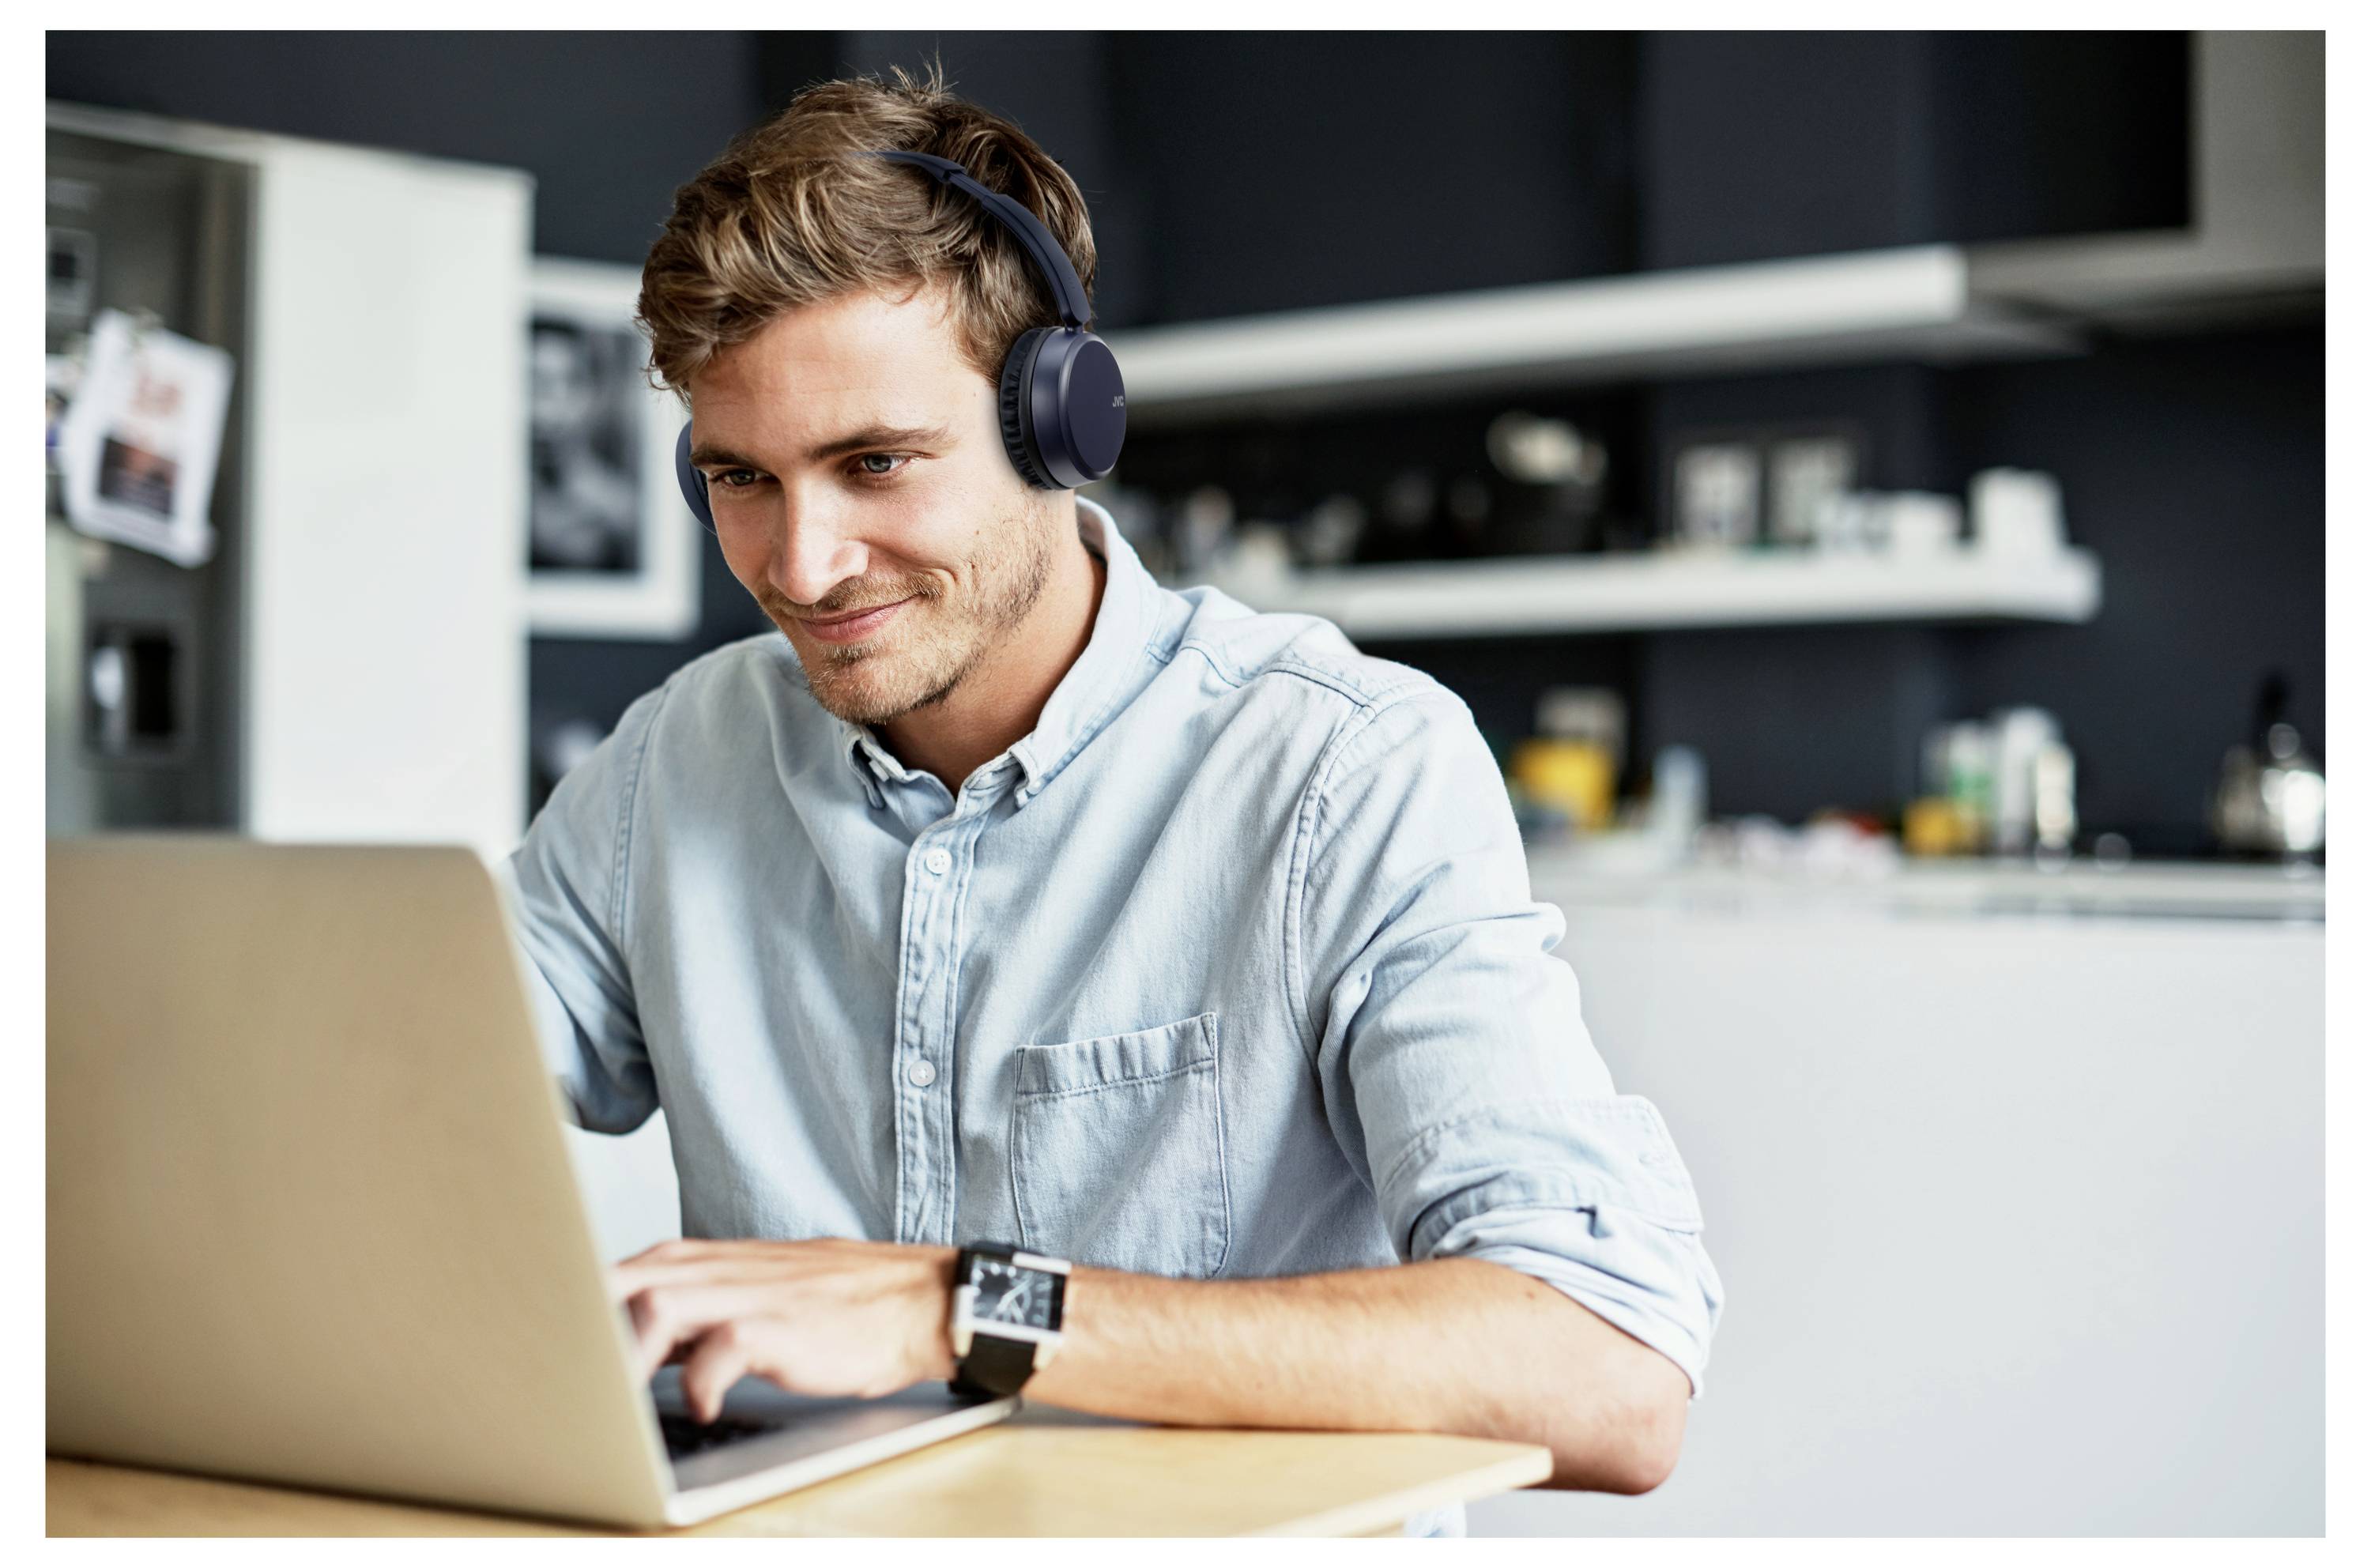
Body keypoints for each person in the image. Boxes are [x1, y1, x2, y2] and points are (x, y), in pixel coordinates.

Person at [499, 63, 1723, 1517]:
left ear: (1060, 427)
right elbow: (400, 1082)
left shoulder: (1343, 768)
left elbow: (1612, 1371)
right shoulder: (675, 760)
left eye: (875, 462)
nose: (801, 565)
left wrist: (960, 1308)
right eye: (741, 480)